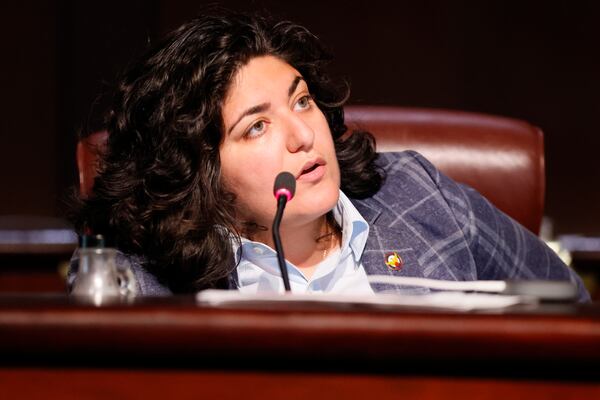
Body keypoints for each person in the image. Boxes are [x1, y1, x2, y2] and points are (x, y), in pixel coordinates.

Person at [70, 9, 589, 301]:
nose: (302, 135)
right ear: (194, 170)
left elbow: (567, 304)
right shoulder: (145, 282)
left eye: (302, 101)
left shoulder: (415, 193)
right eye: (256, 127)